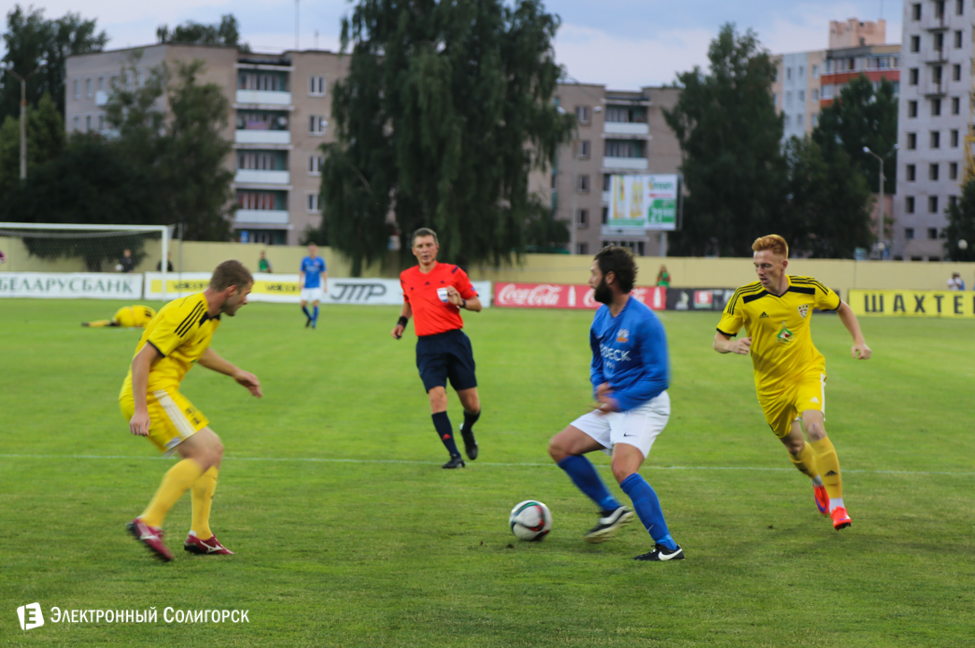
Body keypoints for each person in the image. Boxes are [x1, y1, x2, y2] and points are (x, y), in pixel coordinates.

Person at [713, 234, 871, 531]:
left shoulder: (807, 287)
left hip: (806, 371)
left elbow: (842, 307)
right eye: (756, 265)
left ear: (783, 264)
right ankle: (817, 481)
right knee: (796, 448)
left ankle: (839, 507)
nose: (760, 271)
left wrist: (859, 341)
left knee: (814, 427)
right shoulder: (744, 297)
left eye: (767, 265)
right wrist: (730, 346)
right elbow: (718, 340)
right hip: (770, 386)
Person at [548, 246, 683, 562]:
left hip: (645, 405)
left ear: (609, 278)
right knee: (560, 446)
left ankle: (668, 547)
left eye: (592, 275)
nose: (588, 281)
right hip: (614, 404)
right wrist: (599, 388)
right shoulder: (601, 316)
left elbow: (659, 378)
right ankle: (610, 509)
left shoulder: (644, 321)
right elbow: (597, 361)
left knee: (622, 468)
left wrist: (618, 401)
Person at [120, 260, 262, 561]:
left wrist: (235, 372)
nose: (246, 301)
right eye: (245, 294)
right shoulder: (188, 312)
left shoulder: (209, 317)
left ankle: (200, 534)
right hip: (151, 393)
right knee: (202, 454)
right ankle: (149, 522)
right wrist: (141, 411)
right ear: (231, 290)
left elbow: (197, 350)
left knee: (214, 449)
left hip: (162, 391)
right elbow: (141, 360)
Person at [391, 228, 482, 469]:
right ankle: (455, 456)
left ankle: (467, 429)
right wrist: (402, 322)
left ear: (436, 247)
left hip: (455, 342)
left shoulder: (453, 272)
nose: (424, 250)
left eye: (428, 245)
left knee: (472, 405)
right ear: (413, 250)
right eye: (420, 246)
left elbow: (477, 304)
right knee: (436, 398)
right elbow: (408, 300)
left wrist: (460, 302)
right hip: (427, 347)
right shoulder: (406, 276)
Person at [299, 244, 327, 329]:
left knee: (315, 303)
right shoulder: (305, 260)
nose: (312, 251)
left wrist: (326, 285)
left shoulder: (320, 261)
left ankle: (314, 323)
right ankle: (310, 317)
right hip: (307, 286)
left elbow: (324, 273)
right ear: (309, 251)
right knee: (303, 304)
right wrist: (300, 282)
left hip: (316, 286)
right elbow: (302, 272)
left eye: (314, 250)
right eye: (311, 250)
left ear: (316, 250)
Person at [83, 305, 157, 328]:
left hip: (124, 310)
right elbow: (139, 326)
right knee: (110, 323)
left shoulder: (152, 311)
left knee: (109, 323)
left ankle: (90, 324)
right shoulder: (151, 322)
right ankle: (90, 324)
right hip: (128, 320)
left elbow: (139, 307)